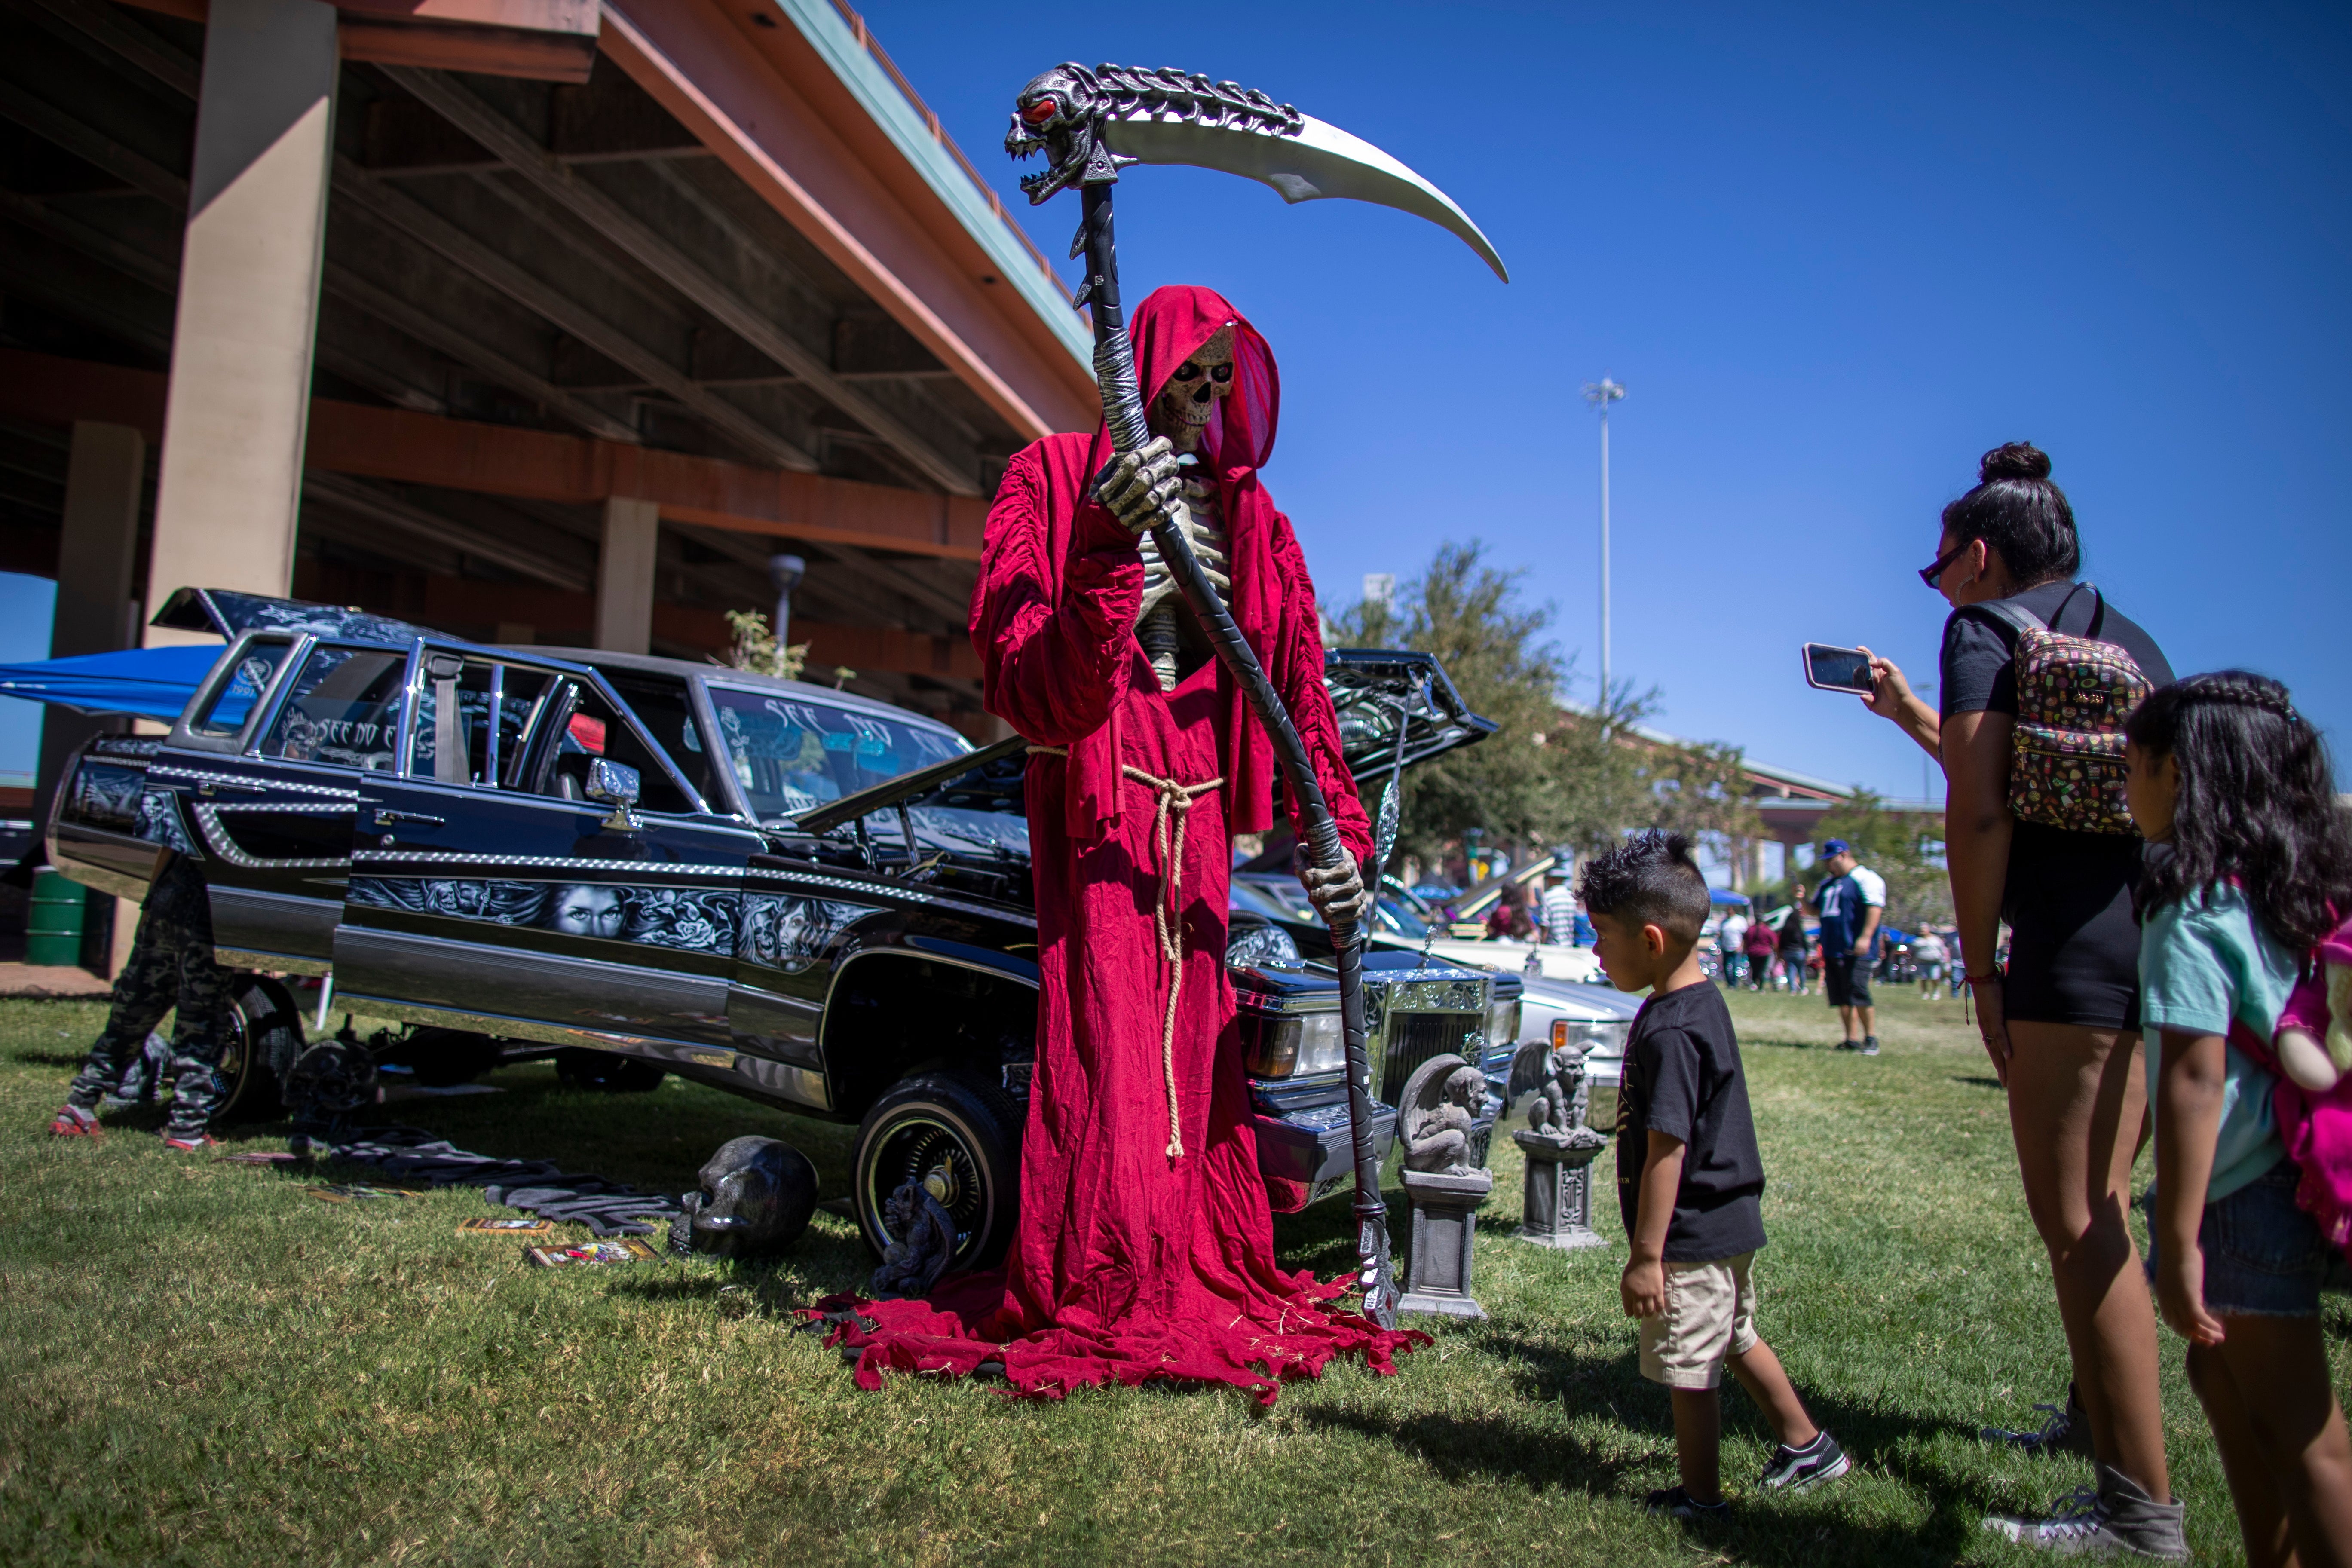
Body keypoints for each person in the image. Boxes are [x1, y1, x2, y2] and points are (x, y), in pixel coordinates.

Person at [822, 285, 1416, 1402]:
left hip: (1195, 810)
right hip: (1095, 795)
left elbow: (1297, 694)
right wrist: (1103, 532)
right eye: (1185, 378)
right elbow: (1031, 680)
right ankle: (1105, 1263)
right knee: (1104, 1028)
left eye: (1218, 386)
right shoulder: (1049, 479)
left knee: (1196, 1042)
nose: (1199, 404)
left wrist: (1332, 838)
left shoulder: (1257, 525)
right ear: (1138, 371)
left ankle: (1178, 1248)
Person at [1858, 442, 2179, 1542]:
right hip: (2152, 949)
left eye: (1935, 568)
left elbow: (1982, 812)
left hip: (2064, 961)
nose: (1936, 587)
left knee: (2082, 1226)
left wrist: (1982, 965)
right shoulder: (2126, 640)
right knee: (2104, 1215)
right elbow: (2021, 778)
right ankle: (2094, 1425)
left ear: (1977, 557)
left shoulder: (1981, 631)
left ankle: (2139, 1513)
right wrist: (1910, 718)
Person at [2123, 672, 2352, 1567]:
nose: (2125, 787)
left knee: (2305, 1431)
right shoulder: (2288, 889)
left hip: (2238, 1197)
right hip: (2295, 1176)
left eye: (2133, 766)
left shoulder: (2189, 908)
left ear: (2176, 774)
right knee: (2220, 1375)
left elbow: (2190, 1079)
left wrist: (2179, 1244)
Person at [1589, 831, 1848, 1519]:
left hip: (1691, 1231)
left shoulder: (1672, 1030)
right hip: (1728, 1218)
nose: (1596, 951)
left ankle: (1700, 1499)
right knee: (1734, 1337)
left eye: (1602, 937)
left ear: (1650, 940)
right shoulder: (1697, 1002)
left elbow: (1668, 1150)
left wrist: (1648, 1256)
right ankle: (1808, 1446)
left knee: (1689, 1366)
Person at [47, 850, 230, 1150]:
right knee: (202, 1021)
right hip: (212, 901)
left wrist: (149, 907)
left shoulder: (190, 803)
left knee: (131, 1014)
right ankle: (188, 1130)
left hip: (168, 894)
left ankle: (78, 1109)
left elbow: (168, 848)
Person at [1806, 840, 1886, 1054]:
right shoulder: (1828, 883)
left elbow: (1875, 907)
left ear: (1845, 855)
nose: (1828, 865)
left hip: (1856, 947)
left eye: (1831, 860)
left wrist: (1866, 937)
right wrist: (1802, 899)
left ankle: (1871, 1038)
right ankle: (1851, 1038)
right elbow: (1814, 910)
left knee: (1858, 991)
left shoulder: (1865, 878)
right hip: (1833, 946)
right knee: (1841, 995)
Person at [1776, 887, 1811, 995]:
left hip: (1789, 952)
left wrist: (1781, 952)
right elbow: (1804, 941)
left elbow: (1781, 941)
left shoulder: (1786, 930)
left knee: (1791, 970)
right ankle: (1803, 988)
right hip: (1799, 952)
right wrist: (1808, 952)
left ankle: (1792, 989)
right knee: (1801, 971)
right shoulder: (1799, 930)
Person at [1716, 905, 1751, 989]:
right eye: (1727, 911)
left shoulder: (1740, 920)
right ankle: (1729, 983)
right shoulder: (1724, 921)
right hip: (1726, 947)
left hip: (1736, 947)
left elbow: (1745, 935)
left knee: (1735, 966)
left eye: (1730, 910)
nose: (1728, 912)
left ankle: (1735, 984)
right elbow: (1721, 933)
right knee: (1725, 966)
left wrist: (1741, 946)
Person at [1542, 870, 1579, 946]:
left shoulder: (1547, 897)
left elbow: (1544, 925)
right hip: (1569, 944)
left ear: (1551, 879)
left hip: (1553, 945)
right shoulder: (1571, 896)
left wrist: (1542, 944)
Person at [1911, 925, 1948, 1000]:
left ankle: (1936, 991)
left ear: (1929, 930)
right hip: (1922, 963)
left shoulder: (1936, 940)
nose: (1922, 931)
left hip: (1934, 963)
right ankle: (1925, 993)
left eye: (1924, 929)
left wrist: (1944, 959)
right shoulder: (1918, 941)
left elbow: (1942, 950)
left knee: (1935, 978)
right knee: (1923, 978)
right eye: (1921, 930)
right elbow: (1913, 951)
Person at [1743, 913, 1778, 991]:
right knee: (1763, 970)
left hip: (1752, 953)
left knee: (1755, 969)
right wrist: (1775, 951)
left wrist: (1744, 952)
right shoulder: (1768, 930)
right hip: (1765, 953)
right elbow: (1775, 943)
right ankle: (1761, 987)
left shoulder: (1750, 930)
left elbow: (1745, 942)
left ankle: (1754, 984)